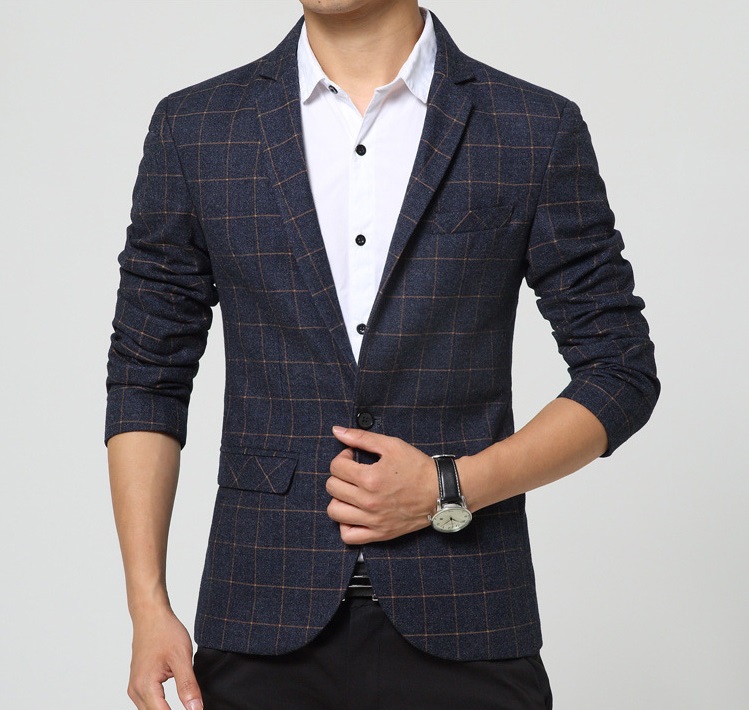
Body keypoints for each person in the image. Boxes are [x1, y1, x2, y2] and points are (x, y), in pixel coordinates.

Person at [105, 1, 659, 708]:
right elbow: (146, 374)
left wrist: (450, 486)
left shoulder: (530, 128)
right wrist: (147, 605)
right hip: (261, 618)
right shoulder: (198, 128)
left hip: (468, 617)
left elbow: (619, 369)